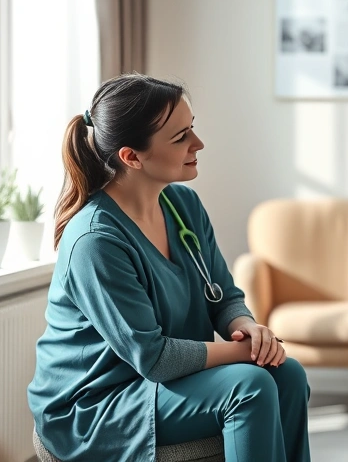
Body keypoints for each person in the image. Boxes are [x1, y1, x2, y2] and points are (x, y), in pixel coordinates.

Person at [28, 74, 310, 462]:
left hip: (163, 381)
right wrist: (242, 354)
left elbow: (223, 296)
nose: (199, 143)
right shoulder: (95, 240)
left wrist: (244, 327)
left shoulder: (184, 206)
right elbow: (154, 358)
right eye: (181, 138)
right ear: (132, 156)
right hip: (97, 402)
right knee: (251, 385)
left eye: (191, 128)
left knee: (288, 375)